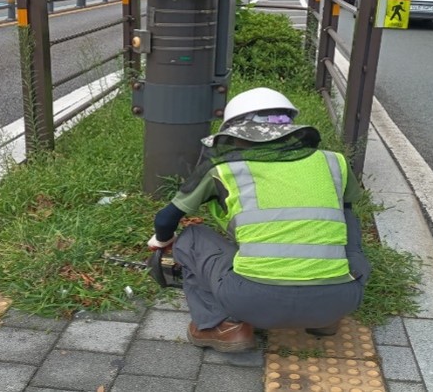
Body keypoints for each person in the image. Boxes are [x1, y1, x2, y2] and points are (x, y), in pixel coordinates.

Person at [148, 88, 371, 353]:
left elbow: (165, 220)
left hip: (251, 301)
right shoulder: (334, 162)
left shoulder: (224, 168)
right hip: (342, 298)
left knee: (191, 238)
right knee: (347, 220)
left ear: (234, 134)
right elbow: (347, 224)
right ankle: (324, 320)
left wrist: (163, 240)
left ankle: (221, 326)